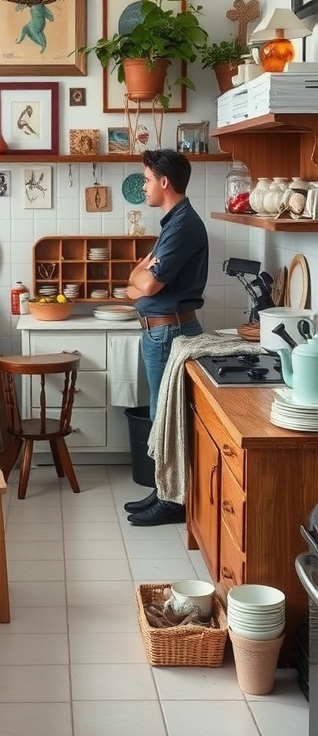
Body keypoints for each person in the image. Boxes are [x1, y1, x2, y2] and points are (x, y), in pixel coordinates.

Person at [124, 149, 208, 526]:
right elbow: (137, 280)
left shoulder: (183, 225)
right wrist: (137, 281)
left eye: (145, 179)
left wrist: (139, 282)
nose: (143, 186)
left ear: (164, 182)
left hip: (169, 331)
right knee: (162, 414)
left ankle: (172, 501)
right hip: (162, 331)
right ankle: (163, 491)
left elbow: (148, 283)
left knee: (166, 416)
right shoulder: (173, 222)